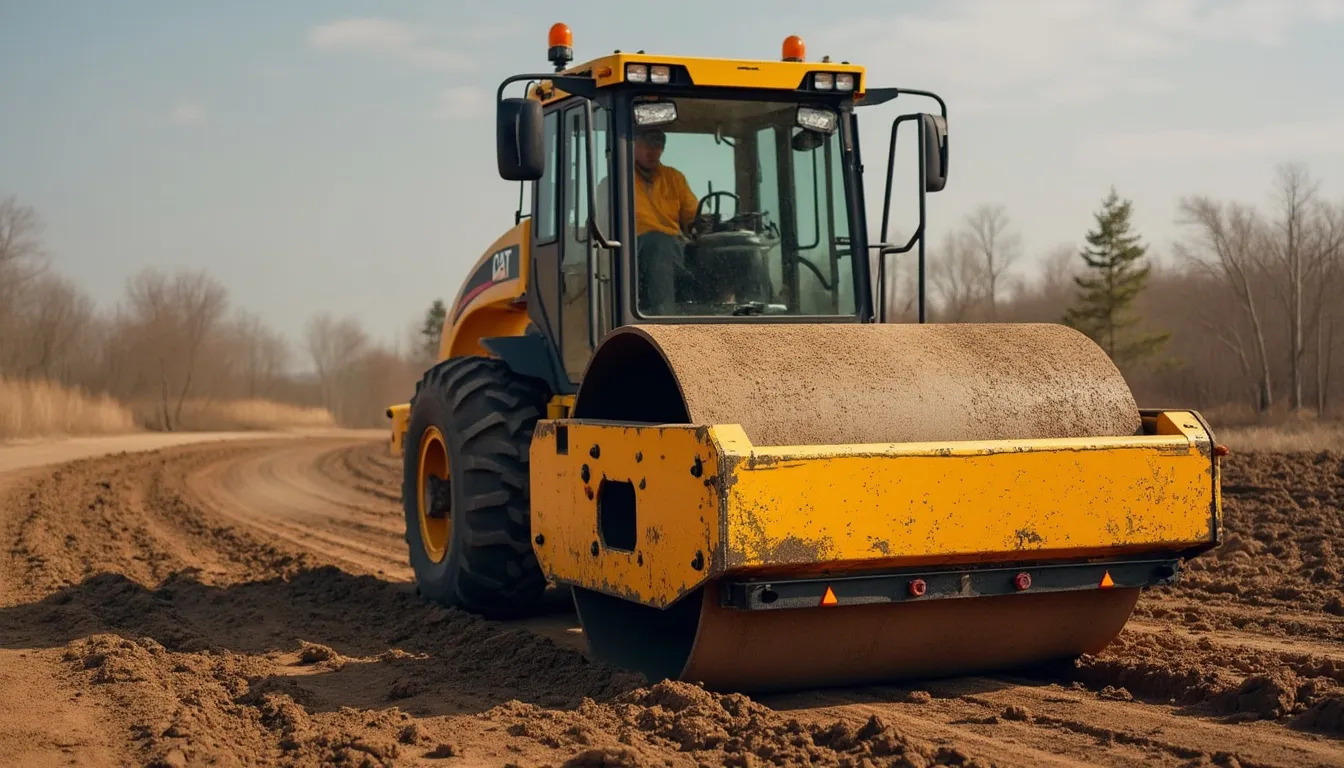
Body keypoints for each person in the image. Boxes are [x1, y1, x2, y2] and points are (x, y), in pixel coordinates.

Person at [630, 127, 698, 314]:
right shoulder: (619, 180)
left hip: (673, 245)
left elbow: (692, 215)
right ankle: (663, 316)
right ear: (634, 146)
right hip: (634, 250)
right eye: (645, 145)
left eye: (657, 146)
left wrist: (707, 225)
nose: (651, 151)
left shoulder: (674, 178)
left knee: (731, 247)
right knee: (657, 243)